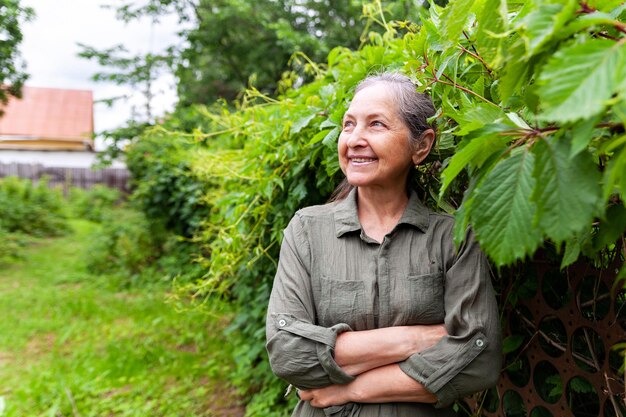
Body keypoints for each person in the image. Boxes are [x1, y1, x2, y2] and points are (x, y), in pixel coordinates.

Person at [265, 72, 502, 417]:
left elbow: (480, 358)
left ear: (421, 146)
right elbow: (287, 353)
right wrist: (412, 340)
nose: (355, 139)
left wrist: (349, 388)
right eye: (348, 125)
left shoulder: (454, 237)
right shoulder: (307, 230)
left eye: (375, 124)